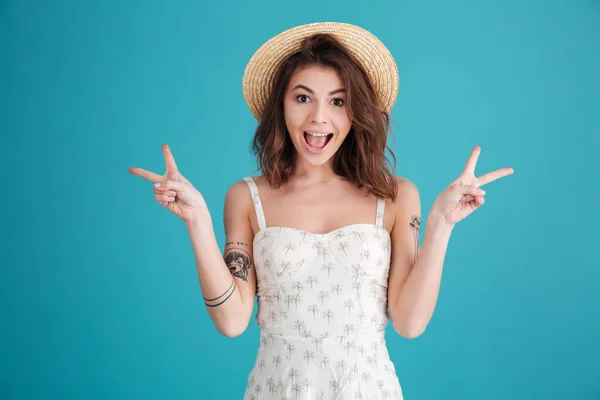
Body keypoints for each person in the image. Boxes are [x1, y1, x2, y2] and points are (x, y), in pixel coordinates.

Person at [129, 21, 514, 400]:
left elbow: (410, 324)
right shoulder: (247, 198)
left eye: (337, 100)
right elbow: (231, 322)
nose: (318, 117)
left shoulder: (395, 196)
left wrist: (441, 224)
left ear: (355, 110)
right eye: (302, 98)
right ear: (280, 106)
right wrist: (197, 222)